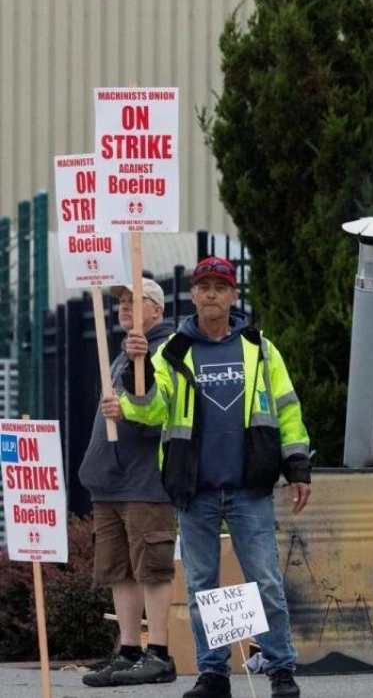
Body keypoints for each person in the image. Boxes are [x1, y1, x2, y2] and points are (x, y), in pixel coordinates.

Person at [106, 256, 312, 698]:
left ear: (234, 295)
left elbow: (288, 409)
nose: (212, 294)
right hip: (194, 489)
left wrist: (297, 467)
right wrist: (138, 378)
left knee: (267, 583)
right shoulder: (173, 351)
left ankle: (281, 670)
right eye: (204, 286)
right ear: (194, 295)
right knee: (202, 588)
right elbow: (151, 412)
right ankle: (213, 674)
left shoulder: (260, 348)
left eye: (221, 286)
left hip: (248, 487)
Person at [79, 278, 178, 687]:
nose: (125, 307)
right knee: (119, 570)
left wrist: (146, 368)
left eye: (136, 301)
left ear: (156, 310)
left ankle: (158, 652)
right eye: (121, 301)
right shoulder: (121, 354)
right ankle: (129, 649)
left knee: (151, 569)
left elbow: (163, 409)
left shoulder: (165, 351)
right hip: (112, 483)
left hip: (145, 482)